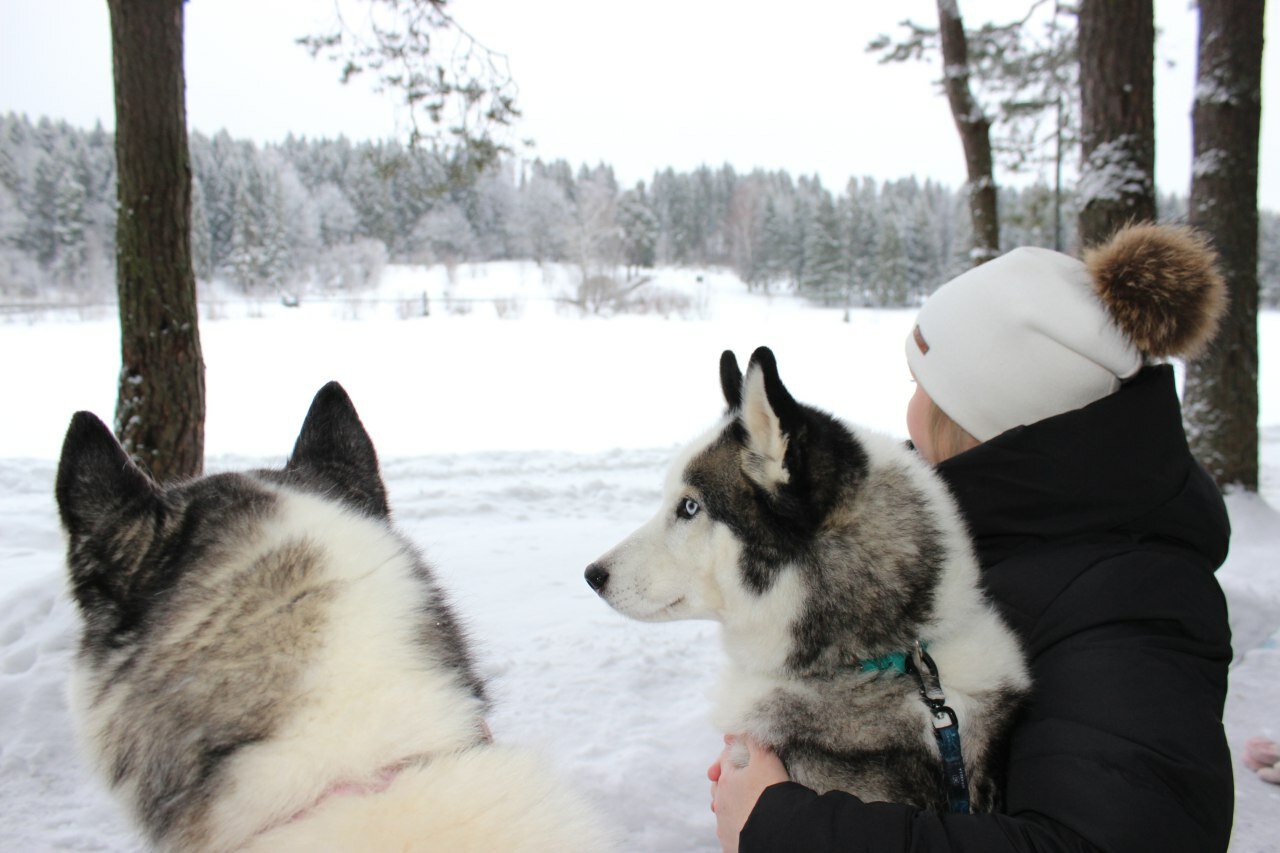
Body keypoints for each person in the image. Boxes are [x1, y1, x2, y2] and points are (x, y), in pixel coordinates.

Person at [707, 222, 1236, 852]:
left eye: (921, 385)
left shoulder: (1134, 601)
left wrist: (784, 824)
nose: (908, 407)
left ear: (974, 416)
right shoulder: (985, 532)